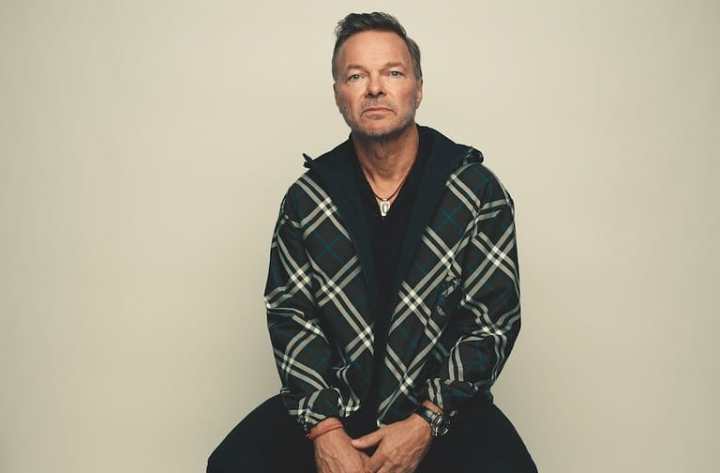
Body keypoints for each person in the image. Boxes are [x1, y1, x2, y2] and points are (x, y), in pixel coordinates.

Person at [207, 11, 537, 473]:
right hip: (337, 405)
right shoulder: (309, 198)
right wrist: (324, 431)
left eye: (393, 73)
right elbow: (290, 315)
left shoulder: (474, 190)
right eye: (356, 76)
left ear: (418, 88)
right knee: (232, 465)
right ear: (338, 94)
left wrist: (428, 420)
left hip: (441, 410)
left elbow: (492, 321)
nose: (375, 88)